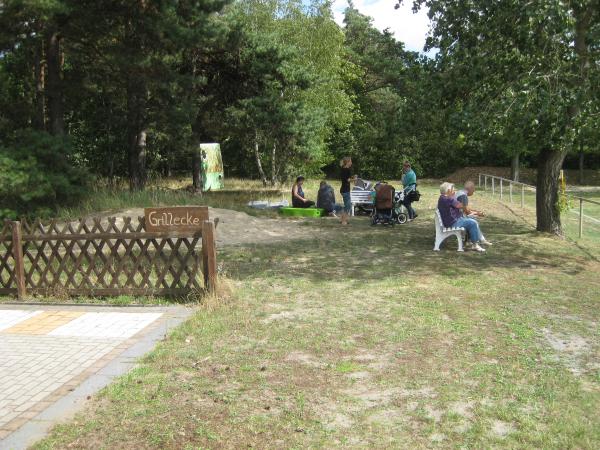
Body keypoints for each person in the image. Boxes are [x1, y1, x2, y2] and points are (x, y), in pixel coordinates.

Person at [437, 182, 490, 252]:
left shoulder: (442, 198)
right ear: (449, 191)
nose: (454, 191)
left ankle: (472, 241)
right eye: (453, 189)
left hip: (448, 221)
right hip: (452, 223)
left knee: (470, 220)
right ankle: (475, 245)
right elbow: (461, 206)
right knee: (472, 222)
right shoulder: (449, 199)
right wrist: (460, 198)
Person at [456, 181, 492, 245]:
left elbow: (465, 209)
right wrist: (478, 213)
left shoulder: (460, 192)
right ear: (470, 188)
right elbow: (467, 212)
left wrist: (476, 212)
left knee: (473, 218)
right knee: (473, 220)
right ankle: (479, 240)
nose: (474, 191)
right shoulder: (463, 196)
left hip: (456, 216)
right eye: (473, 189)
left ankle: (476, 239)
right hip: (457, 218)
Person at [339, 157, 356, 225]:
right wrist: (354, 179)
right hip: (345, 190)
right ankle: (343, 221)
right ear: (347, 162)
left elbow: (346, 179)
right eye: (350, 161)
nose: (351, 163)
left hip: (343, 189)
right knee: (348, 206)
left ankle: (342, 219)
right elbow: (347, 180)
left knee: (346, 205)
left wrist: (352, 178)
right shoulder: (347, 170)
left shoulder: (343, 169)